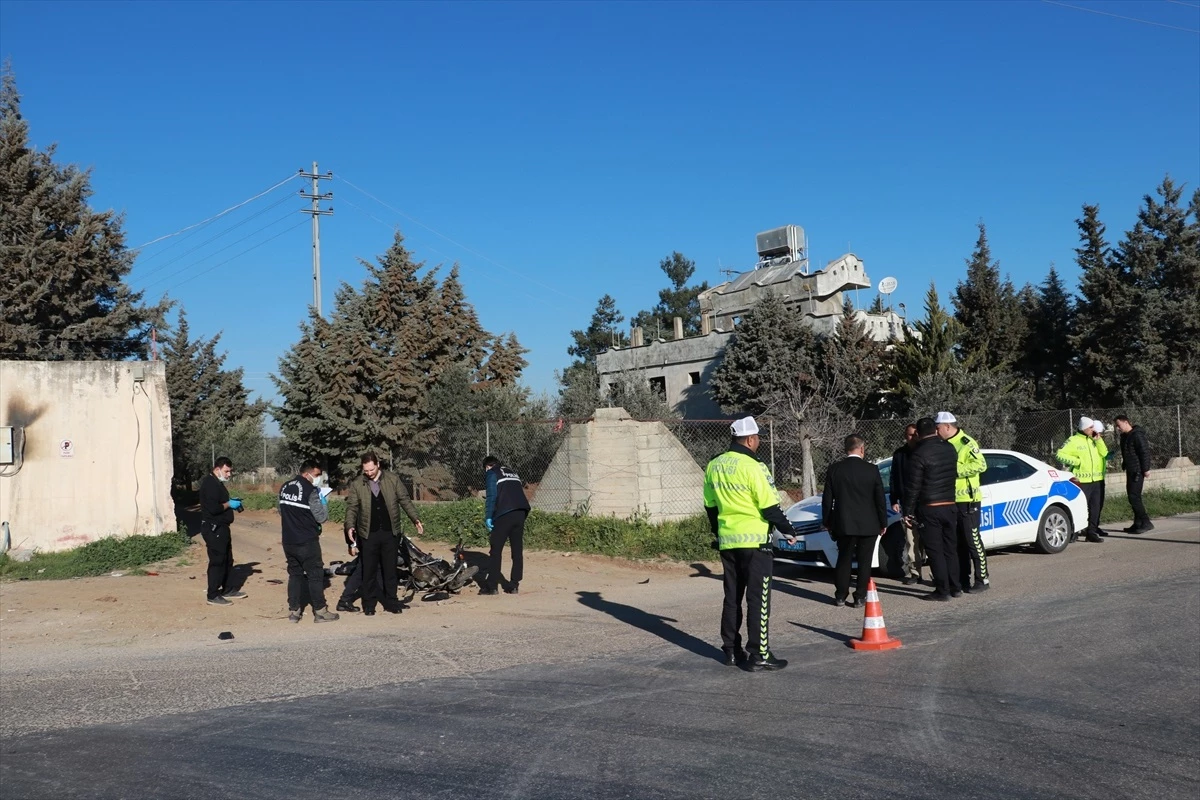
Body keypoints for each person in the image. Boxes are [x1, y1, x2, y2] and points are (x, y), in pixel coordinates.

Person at [703, 416, 795, 671]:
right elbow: (769, 506)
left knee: (732, 597)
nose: (759, 443)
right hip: (755, 542)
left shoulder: (714, 464)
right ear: (751, 439)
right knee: (758, 599)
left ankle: (731, 651)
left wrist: (719, 532)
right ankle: (759, 654)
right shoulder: (755, 466)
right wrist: (789, 530)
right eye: (758, 439)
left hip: (728, 541)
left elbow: (710, 506)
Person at [343, 452, 424, 615]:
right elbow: (352, 508)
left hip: (390, 532)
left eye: (371, 470)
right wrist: (350, 526)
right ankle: (369, 604)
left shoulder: (392, 479)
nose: (369, 473)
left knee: (389, 570)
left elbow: (404, 500)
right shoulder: (358, 484)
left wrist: (415, 518)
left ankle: (391, 602)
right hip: (368, 534)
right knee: (369, 570)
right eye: (366, 470)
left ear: (378, 465)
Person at [823, 434, 888, 608]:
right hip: (869, 523)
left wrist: (827, 520)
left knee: (843, 559)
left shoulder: (835, 469)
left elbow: (827, 499)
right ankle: (860, 596)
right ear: (861, 448)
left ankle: (840, 595)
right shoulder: (871, 470)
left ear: (846, 449)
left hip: (844, 523)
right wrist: (883, 522)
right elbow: (880, 499)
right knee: (865, 561)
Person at [902, 417, 961, 601]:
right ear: (935, 430)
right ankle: (956, 586)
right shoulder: (949, 448)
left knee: (935, 551)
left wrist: (908, 511)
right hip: (950, 504)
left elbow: (914, 486)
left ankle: (942, 590)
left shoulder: (919, 454)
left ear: (918, 434)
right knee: (950, 548)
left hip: (930, 508)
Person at [936, 411, 990, 592]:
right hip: (951, 500)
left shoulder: (966, 442)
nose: (936, 432)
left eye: (938, 428)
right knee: (957, 542)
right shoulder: (942, 444)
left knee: (972, 540)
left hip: (968, 500)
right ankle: (962, 579)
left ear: (948, 427)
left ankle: (982, 579)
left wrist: (954, 469)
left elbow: (981, 465)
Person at [279, 459, 338, 623]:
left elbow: (281, 510)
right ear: (307, 474)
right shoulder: (311, 490)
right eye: (317, 474)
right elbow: (321, 517)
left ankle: (294, 611)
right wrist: (323, 500)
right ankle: (320, 611)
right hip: (306, 540)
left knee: (295, 574)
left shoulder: (285, 487)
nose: (318, 478)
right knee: (315, 575)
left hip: (288, 540)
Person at [480, 456, 531, 596]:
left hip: (505, 513)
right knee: (517, 550)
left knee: (496, 550)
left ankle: (492, 587)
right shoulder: (512, 472)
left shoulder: (492, 473)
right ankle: (514, 585)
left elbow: (491, 496)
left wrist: (489, 516)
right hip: (521, 512)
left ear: (487, 467)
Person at [197, 457, 244, 606]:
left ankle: (227, 589)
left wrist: (230, 503)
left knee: (227, 560)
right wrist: (229, 504)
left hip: (222, 528)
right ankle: (213, 595)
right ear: (217, 469)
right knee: (217, 561)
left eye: (230, 471)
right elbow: (213, 508)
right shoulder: (210, 484)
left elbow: (220, 502)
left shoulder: (218, 483)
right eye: (226, 471)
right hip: (213, 528)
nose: (229, 474)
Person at [1056, 417, 1105, 544]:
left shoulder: (1094, 439)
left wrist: (1099, 441)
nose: (1093, 429)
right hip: (1081, 480)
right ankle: (1074, 532)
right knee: (1079, 508)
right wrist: (1077, 462)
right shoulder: (1073, 440)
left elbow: (1104, 453)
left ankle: (1092, 533)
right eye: (1090, 427)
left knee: (1095, 508)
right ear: (1083, 428)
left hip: (1097, 479)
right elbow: (1059, 454)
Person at [890, 423, 923, 585]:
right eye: (910, 435)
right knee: (911, 540)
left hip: (925, 502)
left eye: (916, 434)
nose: (913, 437)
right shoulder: (899, 455)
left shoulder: (926, 452)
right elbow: (894, 478)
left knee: (930, 539)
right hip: (907, 503)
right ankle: (915, 573)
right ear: (905, 436)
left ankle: (939, 574)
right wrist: (894, 499)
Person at [1115, 415, 1154, 533]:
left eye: (1118, 425)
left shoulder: (1137, 435)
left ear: (1126, 422)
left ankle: (1146, 522)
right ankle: (1137, 523)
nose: (1117, 428)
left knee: (1134, 497)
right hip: (1130, 469)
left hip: (1137, 470)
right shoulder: (1125, 437)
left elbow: (1144, 452)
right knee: (1133, 496)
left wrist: (1146, 469)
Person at [1091, 420, 1111, 535]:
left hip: (1099, 477)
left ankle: (1095, 526)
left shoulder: (1098, 441)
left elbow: (1104, 453)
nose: (1098, 436)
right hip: (1086, 479)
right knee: (1090, 506)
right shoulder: (1086, 442)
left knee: (1098, 505)